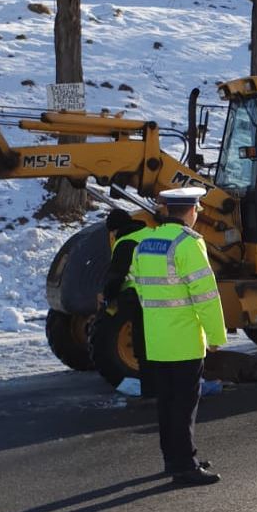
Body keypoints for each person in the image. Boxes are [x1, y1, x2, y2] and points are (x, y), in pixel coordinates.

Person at [133, 187, 227, 487]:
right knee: (185, 405)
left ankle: (172, 458)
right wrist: (216, 336)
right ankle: (185, 465)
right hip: (184, 339)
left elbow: (137, 282)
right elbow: (206, 296)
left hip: (157, 339)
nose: (198, 213)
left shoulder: (146, 242)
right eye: (197, 209)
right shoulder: (188, 244)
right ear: (190, 211)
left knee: (167, 403)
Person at [100, 208, 152, 395]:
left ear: (115, 229)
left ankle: (149, 390)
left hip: (138, 298)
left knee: (142, 345)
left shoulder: (125, 242)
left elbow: (116, 275)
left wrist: (108, 297)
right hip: (162, 295)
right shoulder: (149, 233)